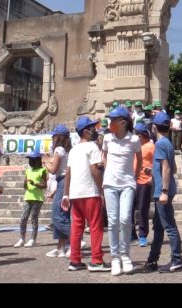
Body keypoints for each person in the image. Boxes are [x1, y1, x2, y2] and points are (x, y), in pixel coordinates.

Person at [62, 116, 109, 272]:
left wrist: (66, 194)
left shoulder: (74, 149)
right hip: (90, 191)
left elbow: (68, 173)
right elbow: (95, 170)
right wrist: (101, 190)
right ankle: (96, 260)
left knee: (77, 227)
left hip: (76, 193)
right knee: (96, 226)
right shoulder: (92, 147)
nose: (94, 130)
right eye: (92, 128)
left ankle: (74, 260)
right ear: (85, 131)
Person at [102, 106, 142, 276]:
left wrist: (134, 176)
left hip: (127, 184)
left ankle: (125, 255)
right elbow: (103, 156)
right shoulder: (107, 138)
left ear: (123, 122)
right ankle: (115, 257)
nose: (110, 122)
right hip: (110, 184)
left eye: (113, 120)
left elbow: (139, 160)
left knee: (125, 219)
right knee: (113, 221)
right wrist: (107, 172)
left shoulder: (134, 140)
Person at [142, 111, 182, 273]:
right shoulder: (167, 143)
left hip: (162, 191)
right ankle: (152, 260)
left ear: (154, 127)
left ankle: (177, 259)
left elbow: (167, 168)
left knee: (169, 226)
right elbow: (172, 168)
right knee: (159, 228)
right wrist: (153, 171)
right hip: (164, 189)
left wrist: (164, 190)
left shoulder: (159, 144)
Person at [44, 124, 72, 258]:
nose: (53, 138)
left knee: (57, 216)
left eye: (54, 136)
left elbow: (53, 169)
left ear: (58, 137)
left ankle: (74, 242)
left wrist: (45, 161)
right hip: (65, 181)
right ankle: (61, 247)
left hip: (62, 181)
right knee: (64, 215)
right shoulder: (67, 150)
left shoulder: (59, 149)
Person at [14, 146, 47, 248]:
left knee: (33, 218)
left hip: (37, 198)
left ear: (38, 160)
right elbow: (25, 184)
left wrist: (35, 183)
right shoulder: (28, 171)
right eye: (30, 160)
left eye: (32, 160)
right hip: (28, 197)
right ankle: (22, 238)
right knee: (23, 218)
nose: (31, 162)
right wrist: (25, 184)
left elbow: (44, 185)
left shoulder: (42, 170)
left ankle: (33, 239)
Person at [132, 123, 155, 248]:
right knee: (129, 209)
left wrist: (152, 176)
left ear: (142, 135)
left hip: (144, 182)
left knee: (142, 209)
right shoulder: (134, 146)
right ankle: (131, 234)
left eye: (137, 135)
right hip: (132, 181)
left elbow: (157, 163)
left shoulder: (151, 146)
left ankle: (142, 235)